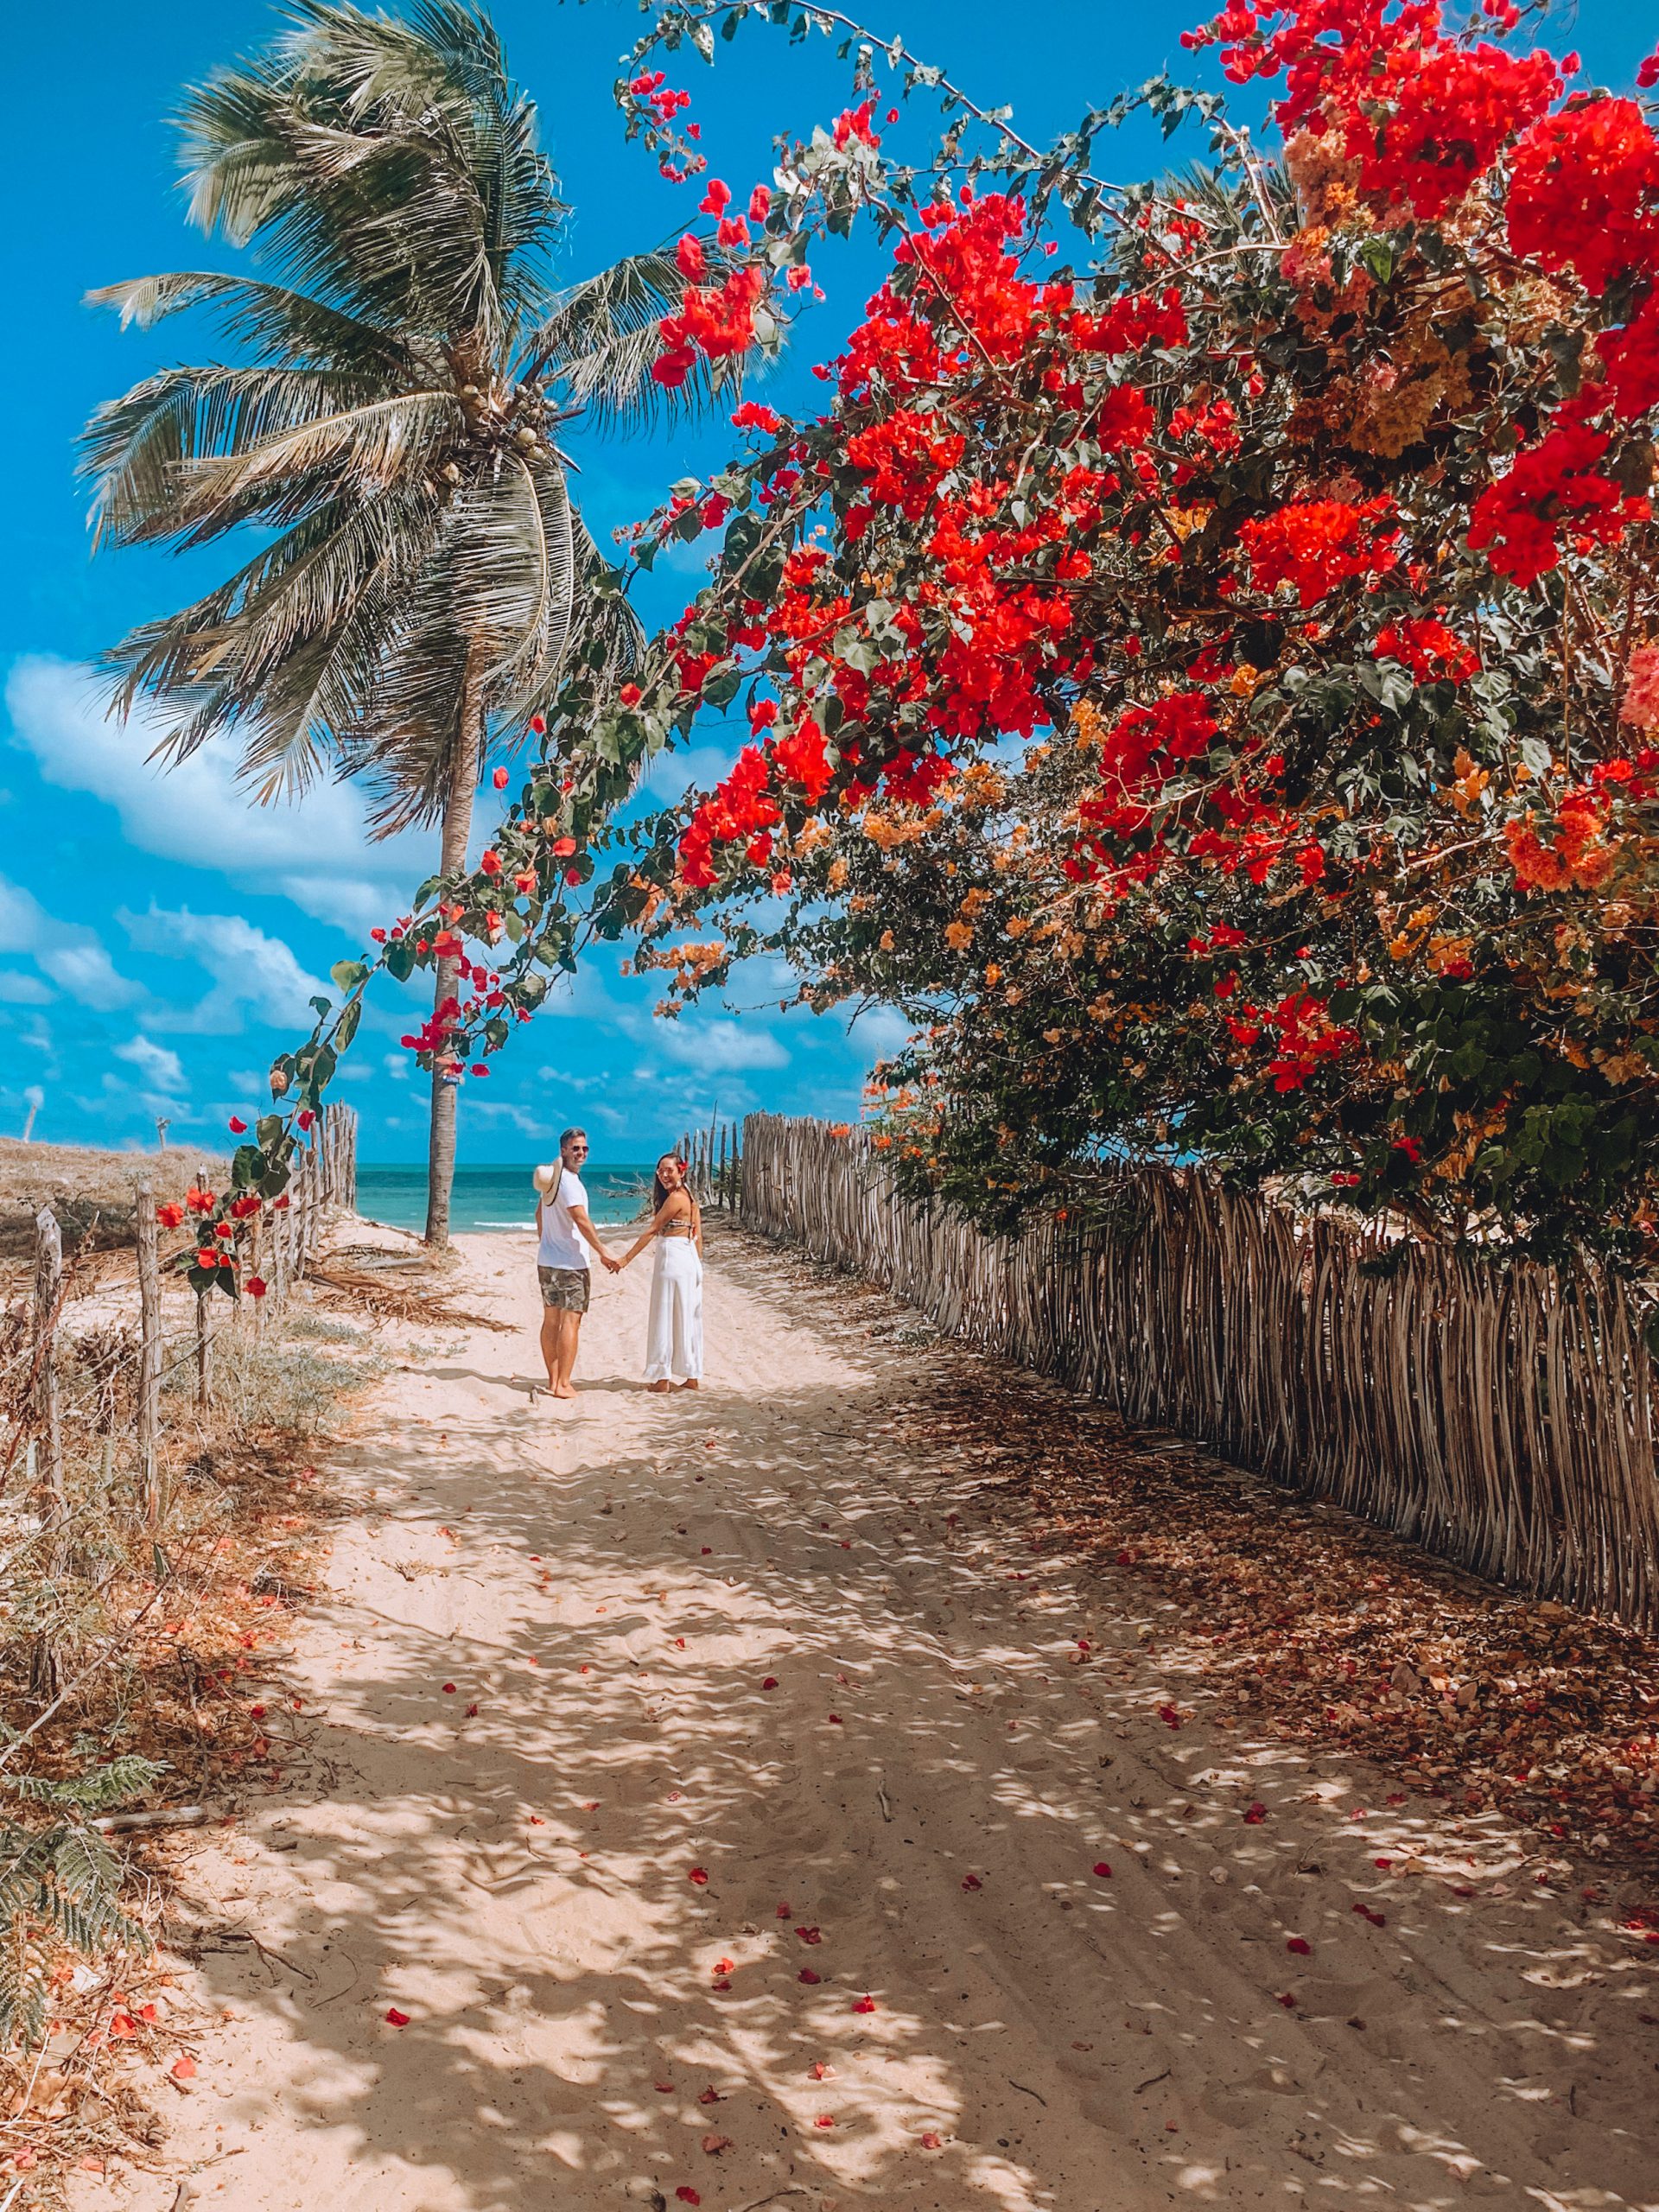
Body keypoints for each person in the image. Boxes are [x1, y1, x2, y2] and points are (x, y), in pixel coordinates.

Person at [531, 1128, 619, 1399]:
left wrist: (547, 1242)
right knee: (570, 1323)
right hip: (571, 1265)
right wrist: (603, 1251)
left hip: (547, 1262)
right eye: (575, 1148)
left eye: (584, 1149)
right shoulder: (570, 1183)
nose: (581, 1153)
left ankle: (554, 1380)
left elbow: (538, 1215)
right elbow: (581, 1220)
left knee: (551, 1321)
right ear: (563, 1151)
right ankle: (563, 1384)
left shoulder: (552, 1183)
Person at [614, 1153, 703, 1391]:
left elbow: (652, 1230)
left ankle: (662, 1377)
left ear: (681, 1172)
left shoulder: (676, 1199)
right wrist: (698, 1267)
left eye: (669, 1170)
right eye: (660, 1171)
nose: (664, 1175)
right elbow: (698, 1236)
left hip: (672, 1258)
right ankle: (691, 1376)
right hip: (686, 1258)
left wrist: (626, 1259)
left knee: (663, 1315)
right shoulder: (690, 1198)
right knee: (686, 1317)